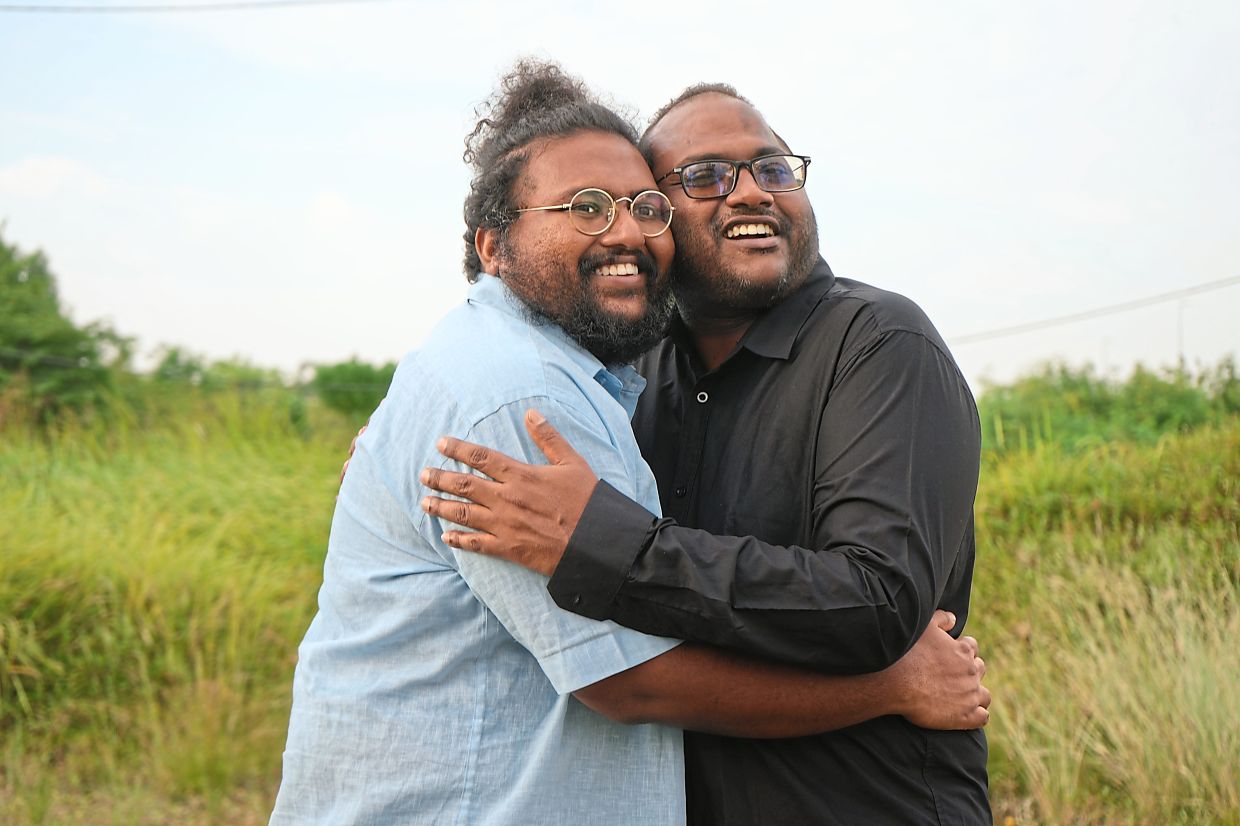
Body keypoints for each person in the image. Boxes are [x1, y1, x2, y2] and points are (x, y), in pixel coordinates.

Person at [272, 65, 988, 826]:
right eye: (704, 177)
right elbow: (628, 678)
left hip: (864, 802)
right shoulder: (618, 377)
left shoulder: (878, 343)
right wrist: (395, 446)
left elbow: (877, 602)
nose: (750, 191)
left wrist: (607, 543)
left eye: (773, 167)